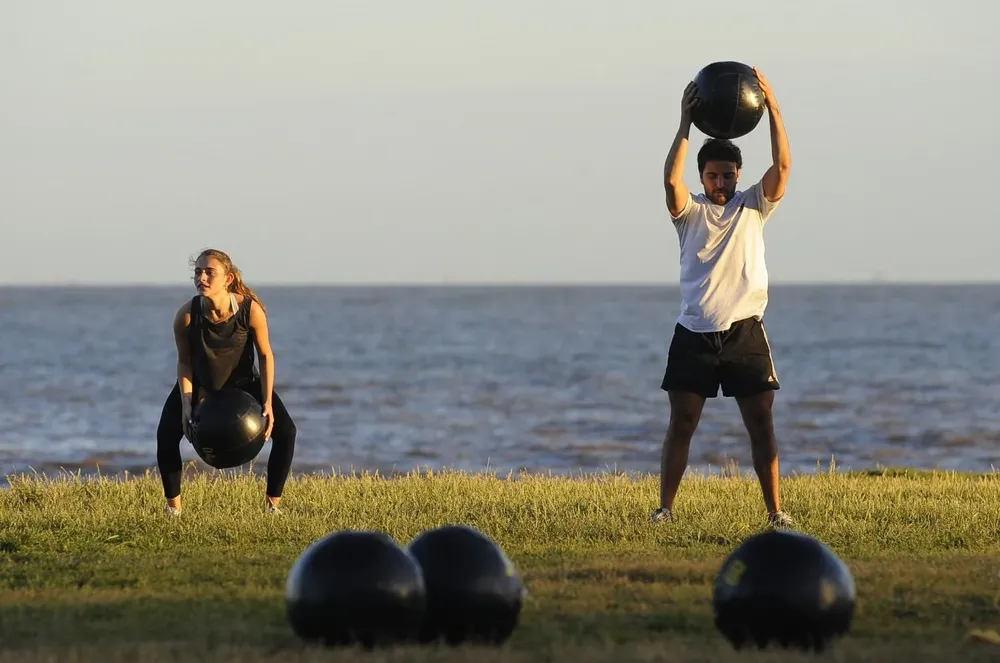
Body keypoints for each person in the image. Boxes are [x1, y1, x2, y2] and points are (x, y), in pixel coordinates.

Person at [652, 68, 793, 528]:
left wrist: (773, 107)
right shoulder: (688, 214)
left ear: (738, 175)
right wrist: (684, 124)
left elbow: (784, 167)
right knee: (683, 422)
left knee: (761, 424)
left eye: (728, 175)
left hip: (744, 332)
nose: (721, 183)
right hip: (694, 332)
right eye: (713, 176)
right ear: (703, 175)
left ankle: (775, 513)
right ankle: (665, 510)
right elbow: (670, 181)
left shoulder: (753, 205)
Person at [155, 248, 297, 515]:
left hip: (243, 382)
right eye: (198, 272)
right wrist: (187, 404)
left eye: (210, 272)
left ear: (228, 279)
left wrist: (266, 401)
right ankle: (173, 509)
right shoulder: (186, 315)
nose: (202, 278)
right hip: (200, 382)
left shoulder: (249, 310)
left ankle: (272, 506)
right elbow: (184, 362)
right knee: (166, 435)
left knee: (287, 432)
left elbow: (265, 356)